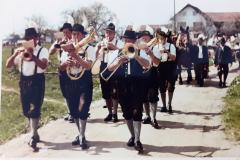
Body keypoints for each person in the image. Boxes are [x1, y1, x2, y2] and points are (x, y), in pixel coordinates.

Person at [103, 29, 150, 153]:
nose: (128, 42)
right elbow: (109, 68)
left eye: (130, 40)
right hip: (122, 84)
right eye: (126, 40)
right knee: (126, 112)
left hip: (137, 84)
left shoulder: (140, 51)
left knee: (137, 111)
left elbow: (147, 65)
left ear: (135, 41)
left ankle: (138, 140)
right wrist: (118, 63)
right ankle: (133, 136)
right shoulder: (117, 52)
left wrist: (137, 56)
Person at [6, 27, 49, 149]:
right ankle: (35, 133)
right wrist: (15, 54)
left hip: (37, 81)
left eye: (32, 38)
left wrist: (33, 56)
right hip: (24, 82)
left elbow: (44, 65)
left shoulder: (42, 50)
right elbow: (8, 65)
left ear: (37, 38)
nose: (30, 40)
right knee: (26, 111)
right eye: (27, 38)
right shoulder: (21, 51)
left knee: (35, 110)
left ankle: (32, 136)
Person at [59, 24, 95, 149]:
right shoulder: (67, 47)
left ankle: (82, 135)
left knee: (83, 108)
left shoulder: (89, 48)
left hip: (84, 80)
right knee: (74, 110)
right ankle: (80, 134)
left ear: (83, 35)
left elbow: (88, 66)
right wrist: (65, 63)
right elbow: (60, 67)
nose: (75, 36)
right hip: (70, 81)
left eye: (77, 34)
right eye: (73, 34)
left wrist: (76, 57)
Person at [95, 23, 123, 122]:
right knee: (106, 93)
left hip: (115, 67)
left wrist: (114, 47)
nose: (108, 34)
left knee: (115, 92)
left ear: (114, 33)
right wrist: (99, 48)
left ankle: (115, 113)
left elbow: (123, 53)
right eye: (106, 32)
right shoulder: (102, 42)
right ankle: (110, 113)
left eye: (110, 32)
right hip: (103, 66)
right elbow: (96, 57)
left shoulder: (119, 42)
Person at [49, 23, 74, 123]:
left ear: (71, 32)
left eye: (67, 32)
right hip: (62, 70)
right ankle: (70, 112)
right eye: (64, 32)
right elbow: (51, 52)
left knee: (72, 92)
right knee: (65, 93)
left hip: (72, 70)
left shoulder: (74, 41)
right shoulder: (60, 41)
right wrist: (58, 43)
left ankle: (74, 112)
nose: (66, 34)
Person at [138, 30, 160, 128]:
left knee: (153, 97)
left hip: (152, 73)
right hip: (141, 73)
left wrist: (150, 53)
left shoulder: (155, 47)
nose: (144, 38)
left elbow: (157, 63)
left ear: (150, 38)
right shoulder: (138, 48)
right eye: (142, 37)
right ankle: (147, 116)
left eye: (146, 37)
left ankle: (154, 118)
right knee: (143, 97)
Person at [154, 28, 177, 113]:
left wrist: (166, 52)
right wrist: (159, 53)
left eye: (163, 38)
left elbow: (174, 58)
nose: (161, 39)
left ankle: (169, 104)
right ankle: (163, 105)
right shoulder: (156, 47)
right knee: (162, 87)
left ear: (165, 38)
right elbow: (155, 60)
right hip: (161, 66)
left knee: (171, 87)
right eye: (160, 38)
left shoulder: (171, 46)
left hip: (170, 67)